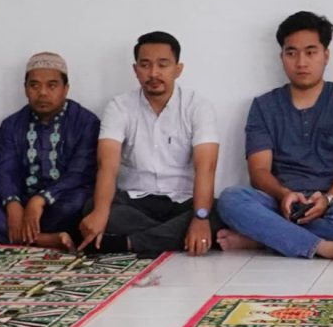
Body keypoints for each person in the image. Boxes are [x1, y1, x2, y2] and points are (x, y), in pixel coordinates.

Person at [216, 11, 333, 263]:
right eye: (292, 53)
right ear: (282, 57)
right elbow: (259, 170)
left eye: (311, 52)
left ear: (326, 55)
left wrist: (328, 199)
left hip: (331, 204)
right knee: (231, 199)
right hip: (279, 202)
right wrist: (283, 194)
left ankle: (261, 237)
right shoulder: (264, 106)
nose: (301, 62)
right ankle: (322, 247)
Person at [78, 32, 224, 257]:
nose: (154, 73)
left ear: (178, 69)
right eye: (145, 65)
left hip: (183, 201)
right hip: (135, 202)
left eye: (163, 65)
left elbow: (206, 167)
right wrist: (100, 212)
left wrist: (200, 218)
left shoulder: (198, 106)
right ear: (136, 70)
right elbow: (107, 165)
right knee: (93, 207)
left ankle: (127, 244)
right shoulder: (119, 106)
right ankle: (171, 238)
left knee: (220, 211)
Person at [0, 53, 99, 247]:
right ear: (25, 88)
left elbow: (79, 174)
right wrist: (12, 203)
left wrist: (41, 199)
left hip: (60, 202)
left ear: (65, 88)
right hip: (22, 201)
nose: (42, 92)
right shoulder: (11, 125)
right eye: (34, 85)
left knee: (78, 203)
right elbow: (4, 170)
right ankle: (44, 240)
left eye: (51, 85)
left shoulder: (86, 122)